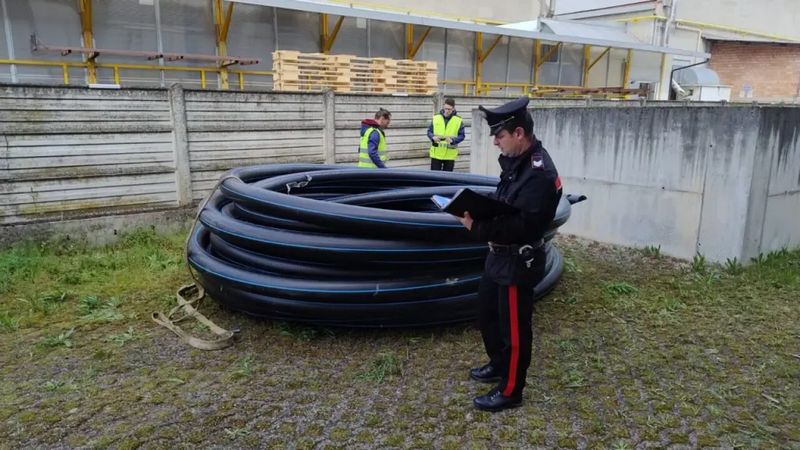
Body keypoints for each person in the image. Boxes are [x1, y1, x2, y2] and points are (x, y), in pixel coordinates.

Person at [457, 97, 562, 412]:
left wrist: (476, 227)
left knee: (515, 329)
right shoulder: (518, 162)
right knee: (487, 313)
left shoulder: (539, 173)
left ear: (519, 133)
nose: (495, 142)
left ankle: (511, 390)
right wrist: (474, 203)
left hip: (518, 261)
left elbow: (521, 225)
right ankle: (499, 364)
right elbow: (505, 201)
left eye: (499, 136)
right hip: (499, 257)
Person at [427, 98, 465, 171]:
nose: (447, 111)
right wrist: (432, 137)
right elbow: (429, 131)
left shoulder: (458, 120)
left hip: (449, 155)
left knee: (447, 177)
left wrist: (453, 140)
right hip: (436, 154)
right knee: (434, 176)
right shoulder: (436, 117)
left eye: (449, 109)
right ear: (443, 106)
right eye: (445, 108)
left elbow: (462, 136)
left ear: (453, 109)